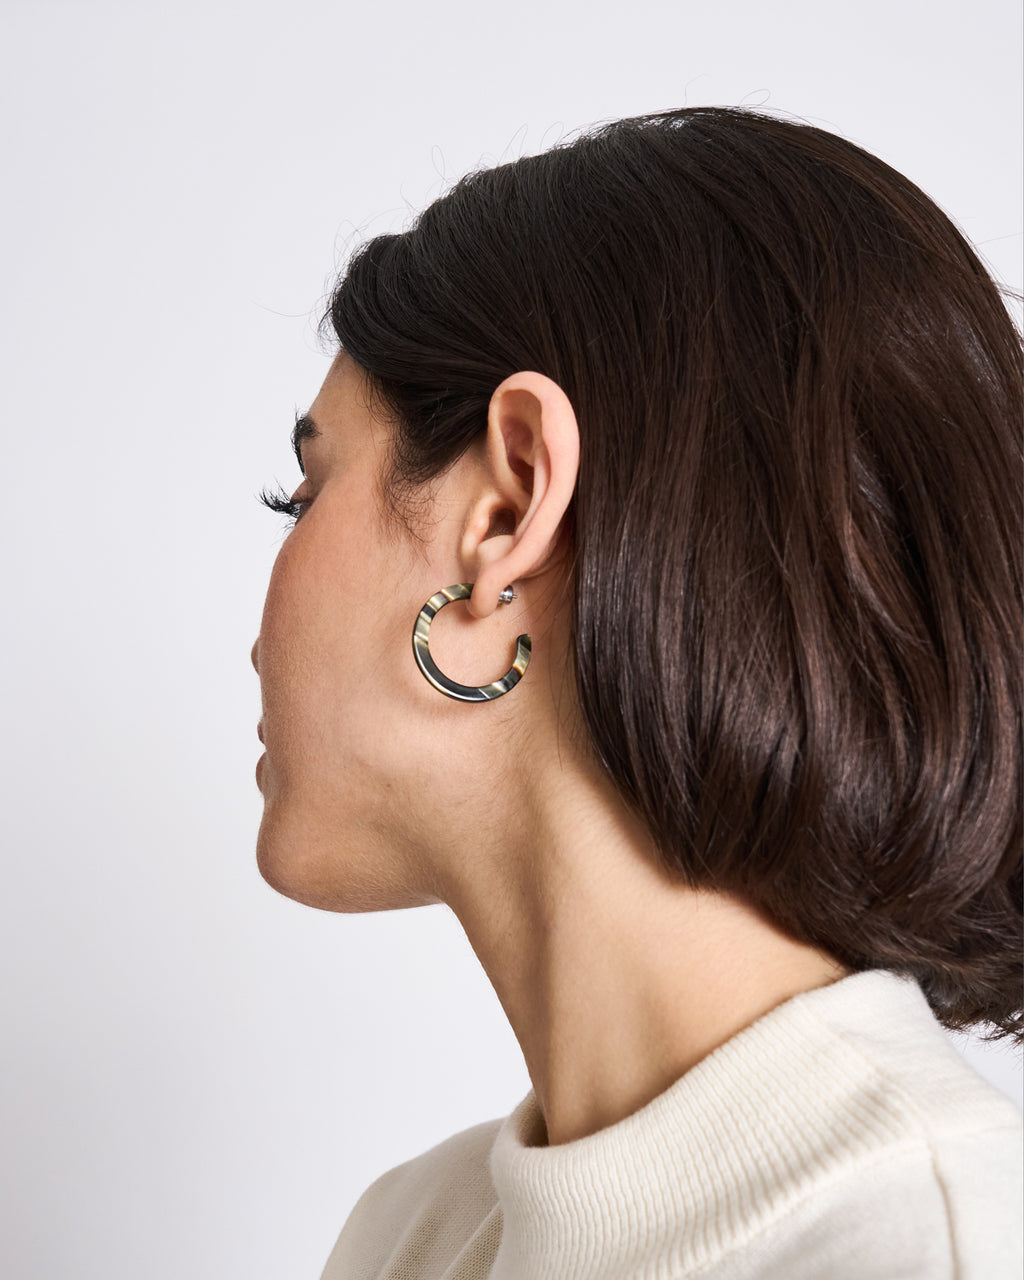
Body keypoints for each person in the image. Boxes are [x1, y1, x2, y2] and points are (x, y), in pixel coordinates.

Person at [250, 104, 1023, 1279]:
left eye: (304, 495)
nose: (257, 623)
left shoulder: (941, 1248)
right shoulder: (407, 1239)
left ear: (506, 506)